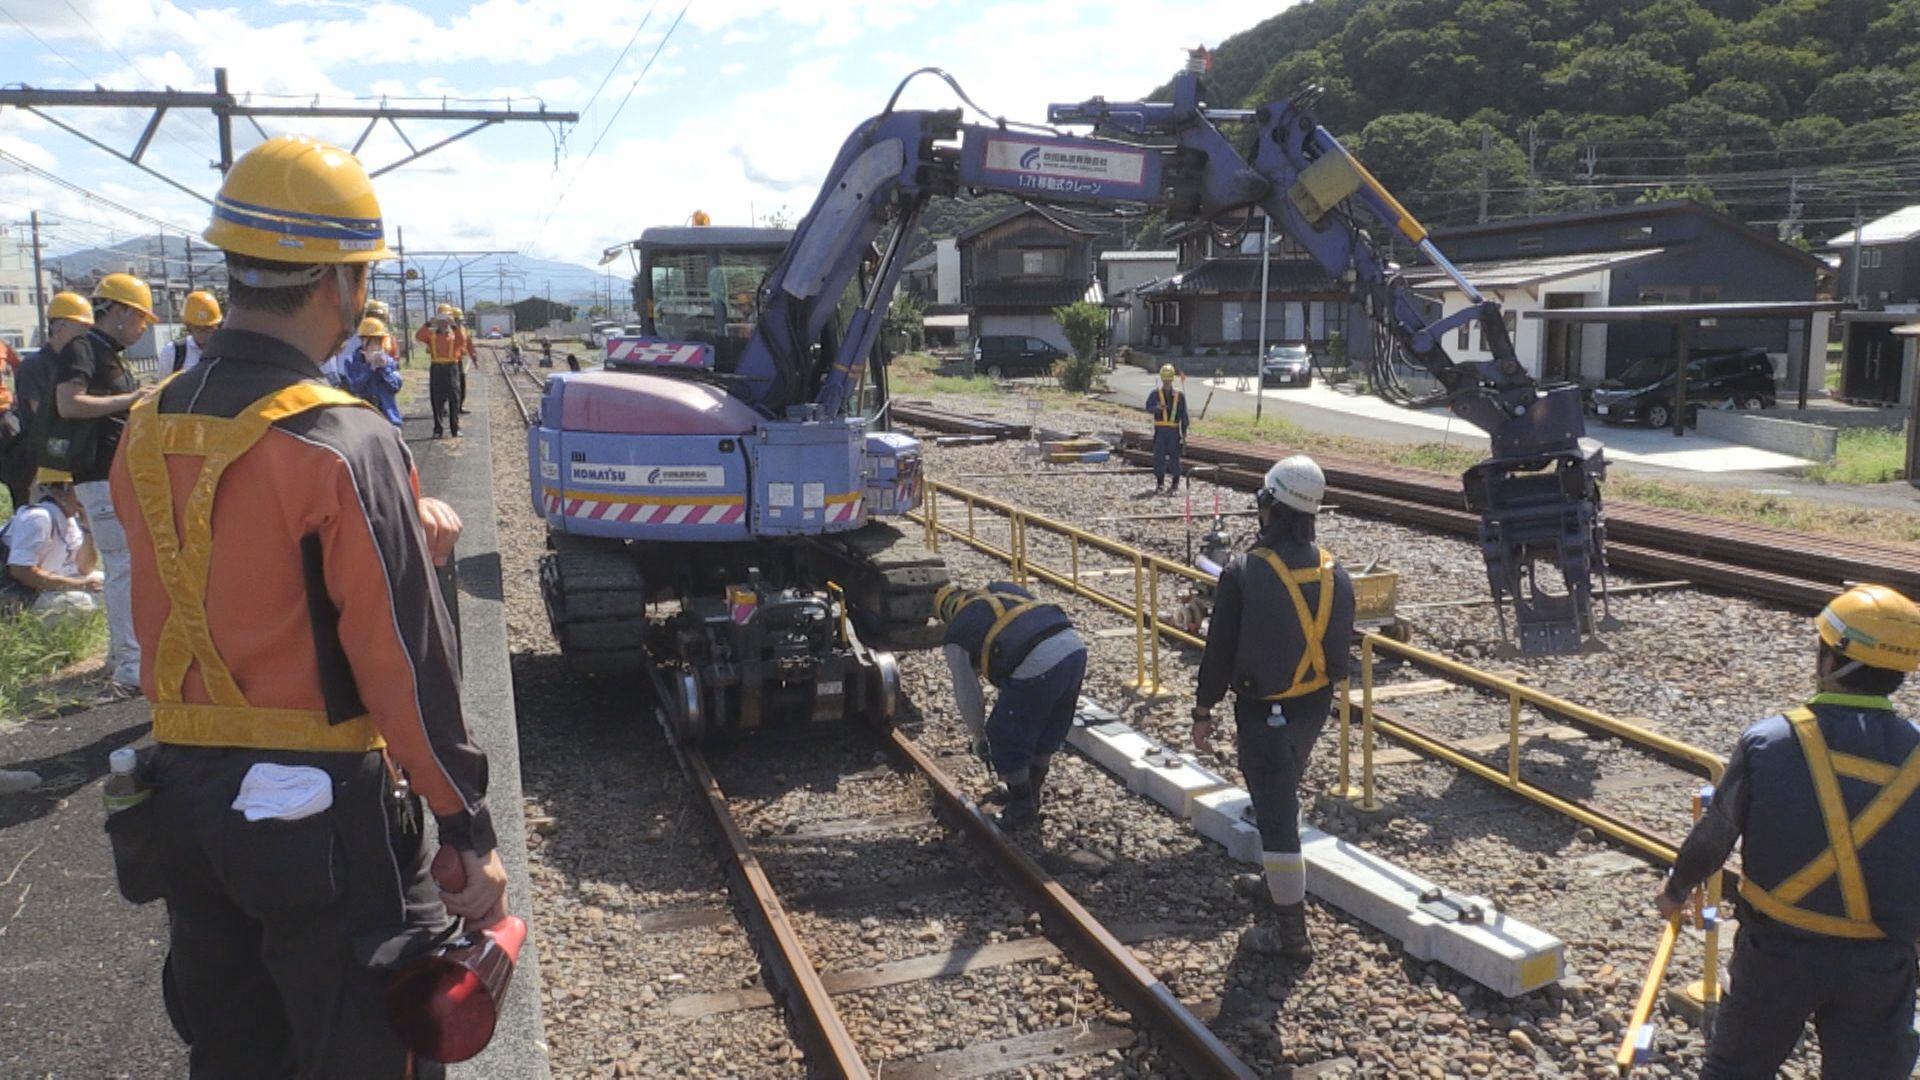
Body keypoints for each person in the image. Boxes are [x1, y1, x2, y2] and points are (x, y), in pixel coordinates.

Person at [106, 134, 508, 1079]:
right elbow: (399, 665)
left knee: (236, 1048)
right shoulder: (342, 440)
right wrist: (465, 830)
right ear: (339, 279)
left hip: (188, 801)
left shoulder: (146, 422)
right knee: (369, 1052)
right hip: (325, 821)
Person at [1654, 583, 1920, 1080]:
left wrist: (1675, 890)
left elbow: (1716, 834)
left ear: (1828, 661)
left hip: (1777, 954)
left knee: (1737, 1070)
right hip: (1879, 963)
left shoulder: (1770, 742)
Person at [1191, 454, 1354, 960]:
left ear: (1270, 505)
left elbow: (1218, 653)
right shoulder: (1335, 572)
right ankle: (1275, 883)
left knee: (1277, 814)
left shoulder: (1244, 572)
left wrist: (1203, 712)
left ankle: (1290, 934)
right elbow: (1339, 655)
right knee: (1279, 795)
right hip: (1311, 710)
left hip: (1265, 713)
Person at [50, 272, 155, 693]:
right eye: (142, 319)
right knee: (123, 565)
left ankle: (119, 656)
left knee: (123, 563)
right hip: (98, 472)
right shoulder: (83, 347)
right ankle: (130, 664)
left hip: (112, 472)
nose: (144, 327)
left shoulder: (104, 350)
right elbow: (68, 404)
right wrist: (132, 400)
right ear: (122, 311)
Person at [935, 581, 1088, 830]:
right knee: (1049, 723)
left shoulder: (957, 633)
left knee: (1005, 733)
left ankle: (1021, 805)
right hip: (1074, 648)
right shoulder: (1001, 589)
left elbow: (968, 693)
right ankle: (1032, 790)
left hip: (1037, 660)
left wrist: (979, 735)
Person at [1, 292, 95, 508]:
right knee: (40, 526)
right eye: (80, 326)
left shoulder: (76, 364)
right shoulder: (36, 365)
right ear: (58, 326)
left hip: (69, 457)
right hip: (40, 463)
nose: (85, 333)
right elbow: (40, 413)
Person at [1, 467, 101, 624]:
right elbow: (21, 571)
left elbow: (85, 568)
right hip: (19, 593)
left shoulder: (70, 519)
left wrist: (87, 528)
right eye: (81, 487)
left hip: (43, 588)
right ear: (59, 490)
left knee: (106, 582)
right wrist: (80, 585)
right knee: (82, 603)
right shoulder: (38, 519)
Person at [415, 306, 466, 438]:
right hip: (437, 368)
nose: (444, 322)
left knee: (454, 398)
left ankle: (455, 428)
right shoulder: (431, 335)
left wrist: (454, 325)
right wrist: (428, 323)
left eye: (446, 319)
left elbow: (462, 341)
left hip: (452, 367)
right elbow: (418, 336)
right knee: (436, 399)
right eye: (441, 319)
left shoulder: (455, 334)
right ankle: (438, 429)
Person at [343, 317, 404, 426]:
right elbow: (355, 386)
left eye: (377, 341)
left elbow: (395, 386)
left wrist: (383, 369)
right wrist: (369, 368)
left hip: (388, 418)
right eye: (370, 342)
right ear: (362, 341)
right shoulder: (351, 361)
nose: (374, 346)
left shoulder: (388, 361)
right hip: (364, 420)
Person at [1145, 363, 1189, 494]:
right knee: (1159, 456)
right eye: (1165, 380)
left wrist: (1185, 432)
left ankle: (1175, 481)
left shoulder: (1179, 396)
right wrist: (1157, 408)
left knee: (1174, 457)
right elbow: (1148, 406)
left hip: (1173, 432)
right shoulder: (1155, 394)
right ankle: (1160, 482)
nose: (1167, 383)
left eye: (1169, 380)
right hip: (1160, 432)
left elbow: (1184, 415)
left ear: (1172, 380)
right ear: (1162, 379)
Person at [171, 291, 223, 373]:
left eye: (208, 328)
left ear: (216, 326)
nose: (203, 333)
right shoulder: (174, 352)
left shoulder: (225, 353)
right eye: (197, 328)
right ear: (188, 327)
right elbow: (164, 384)